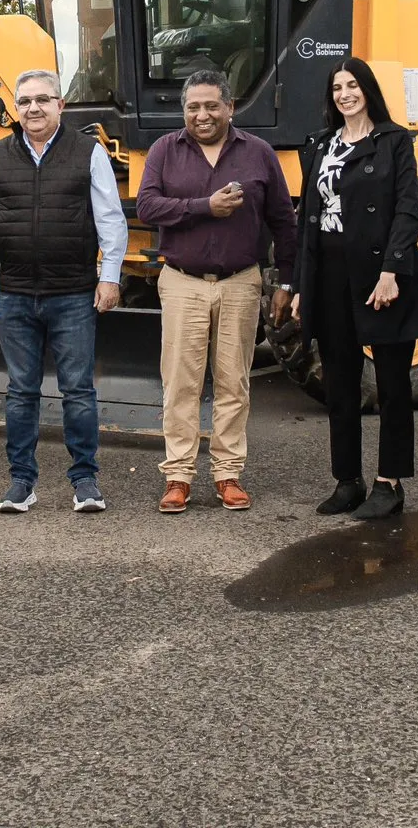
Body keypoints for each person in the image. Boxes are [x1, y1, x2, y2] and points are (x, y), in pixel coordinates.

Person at [0, 69, 129, 514]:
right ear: (15, 110)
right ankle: (22, 482)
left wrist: (109, 276)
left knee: (78, 390)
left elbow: (110, 219)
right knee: (21, 392)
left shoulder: (87, 152)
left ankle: (85, 481)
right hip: (15, 294)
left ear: (61, 105)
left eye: (43, 99)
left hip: (73, 293)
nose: (33, 108)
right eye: (24, 102)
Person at [136, 68, 297, 513]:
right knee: (181, 384)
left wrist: (286, 280)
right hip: (183, 281)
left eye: (211, 106)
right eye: (193, 107)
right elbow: (147, 205)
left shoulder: (259, 153)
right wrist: (204, 207)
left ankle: (228, 474)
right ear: (183, 110)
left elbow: (284, 221)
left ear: (230, 107)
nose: (201, 115)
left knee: (234, 382)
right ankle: (178, 476)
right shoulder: (165, 150)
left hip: (241, 283)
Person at [292, 57, 418, 520]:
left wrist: (393, 270)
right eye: (337, 87)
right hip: (331, 275)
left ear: (368, 90)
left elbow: (407, 209)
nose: (344, 94)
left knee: (392, 384)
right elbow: (307, 222)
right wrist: (301, 284)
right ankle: (347, 481)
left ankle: (389, 483)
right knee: (340, 383)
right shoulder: (319, 144)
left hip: (380, 276)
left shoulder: (394, 141)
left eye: (352, 85)